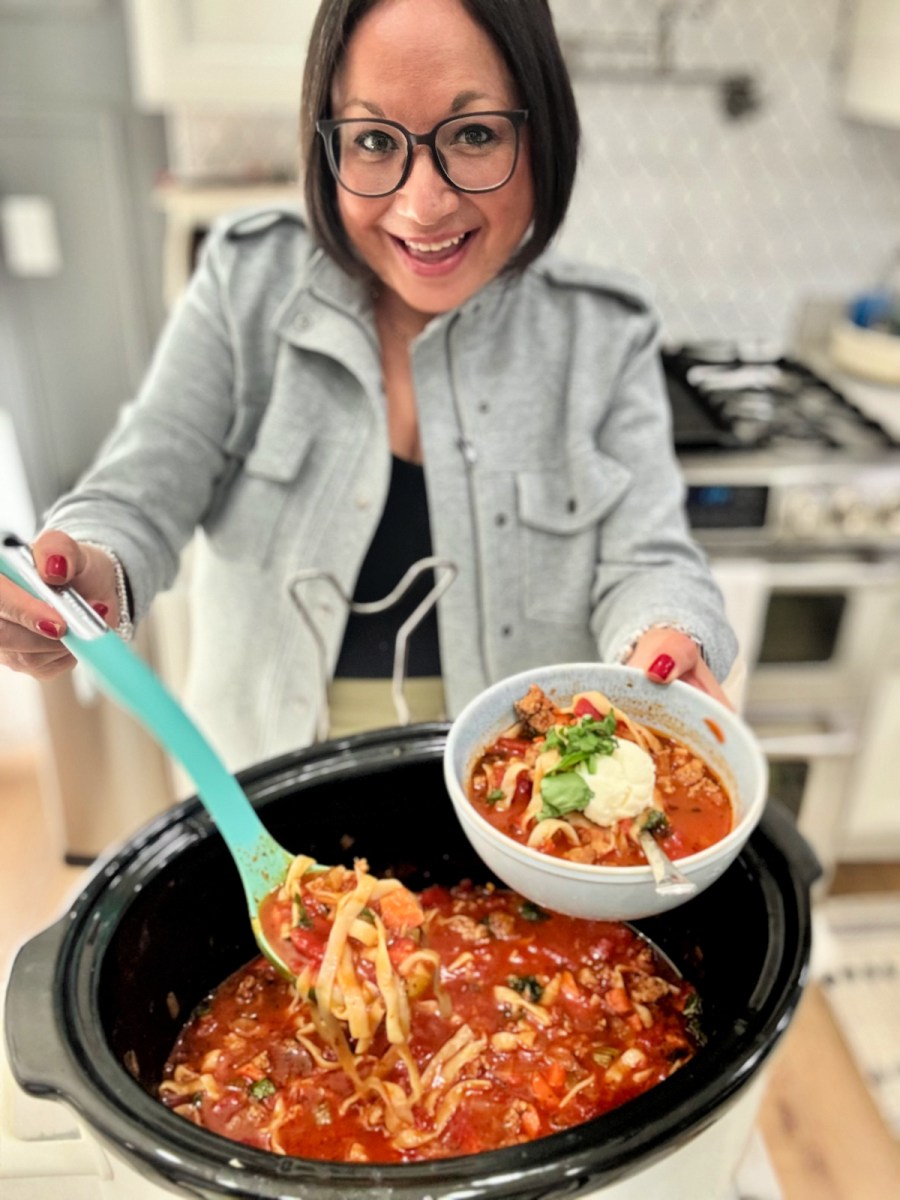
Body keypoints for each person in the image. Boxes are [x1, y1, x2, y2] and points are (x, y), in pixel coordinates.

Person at [0, 0, 737, 772]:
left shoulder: (601, 335)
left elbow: (650, 559)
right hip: (264, 792)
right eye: (376, 141)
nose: (423, 206)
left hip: (510, 797)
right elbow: (143, 488)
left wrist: (668, 635)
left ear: (542, 134)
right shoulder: (246, 285)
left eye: (476, 134)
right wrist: (91, 565)